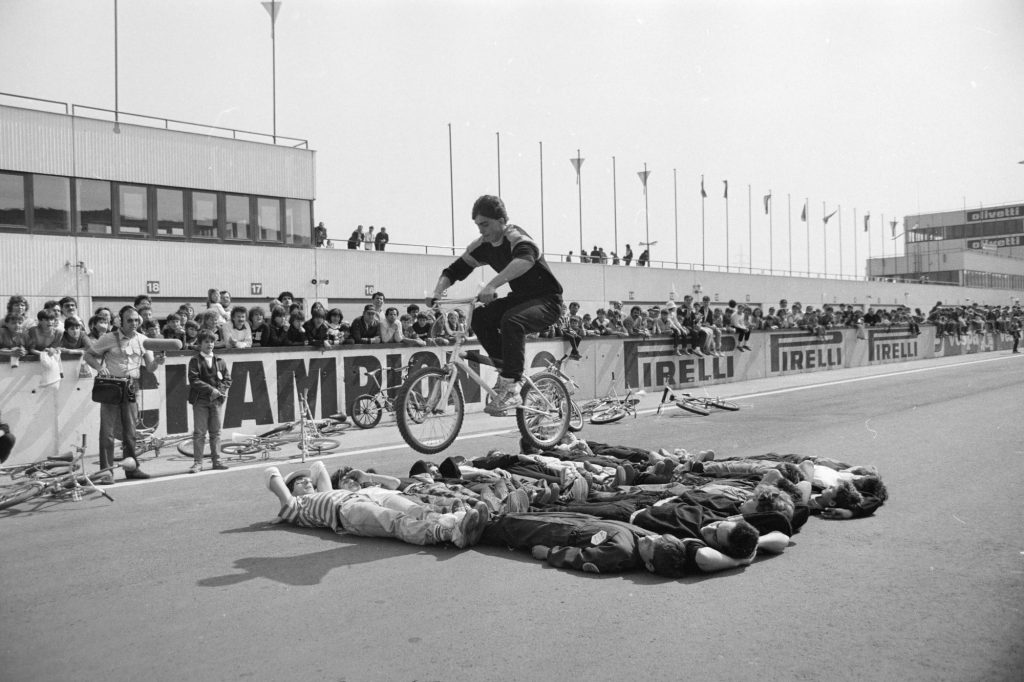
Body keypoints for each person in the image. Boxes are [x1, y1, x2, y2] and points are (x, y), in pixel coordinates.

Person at [428, 195, 563, 416]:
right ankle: (505, 370)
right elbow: (454, 270)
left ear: (501, 221)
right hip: (520, 299)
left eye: (485, 224)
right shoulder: (483, 245)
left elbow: (526, 260)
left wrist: (492, 285)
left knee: (512, 321)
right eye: (477, 225)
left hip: (547, 301)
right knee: (479, 317)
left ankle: (512, 386)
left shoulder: (515, 236)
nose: (481, 230)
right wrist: (436, 292)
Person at [263, 461, 486, 549]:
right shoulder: (295, 506)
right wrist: (285, 498)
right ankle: (450, 533)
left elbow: (318, 467)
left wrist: (309, 479)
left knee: (414, 511)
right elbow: (271, 473)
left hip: (360, 501)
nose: (306, 482)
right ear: (290, 490)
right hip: (346, 513)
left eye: (306, 480)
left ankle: (455, 522)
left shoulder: (325, 493)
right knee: (396, 522)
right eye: (298, 482)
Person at [84, 306, 165, 482]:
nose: (133, 323)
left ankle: (132, 469)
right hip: (111, 386)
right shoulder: (108, 338)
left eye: (136, 320)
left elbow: (150, 367)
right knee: (108, 431)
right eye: (129, 320)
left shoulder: (143, 340)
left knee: (130, 431)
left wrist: (157, 362)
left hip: (131, 386)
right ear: (120, 321)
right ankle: (106, 472)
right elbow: (88, 355)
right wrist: (99, 368)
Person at [187, 330, 231, 474]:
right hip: (200, 400)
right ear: (199, 344)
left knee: (216, 432)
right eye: (206, 342)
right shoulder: (194, 360)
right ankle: (198, 463)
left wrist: (220, 391)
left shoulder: (220, 361)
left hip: (216, 401)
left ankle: (216, 461)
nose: (210, 344)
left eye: (212, 341)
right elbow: (194, 380)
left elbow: (227, 379)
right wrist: (211, 390)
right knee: (200, 433)